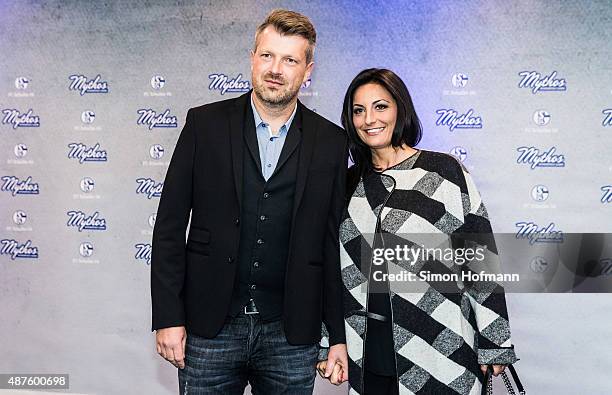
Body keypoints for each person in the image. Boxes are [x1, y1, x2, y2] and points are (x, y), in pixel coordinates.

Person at [151, 9, 348, 394]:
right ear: (252, 59)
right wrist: (168, 317)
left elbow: (330, 245)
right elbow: (170, 226)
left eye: (290, 59)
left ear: (308, 70)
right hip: (209, 328)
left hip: (291, 334)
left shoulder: (331, 142)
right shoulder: (204, 125)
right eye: (267, 55)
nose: (276, 68)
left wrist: (336, 335)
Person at [317, 68, 518, 394]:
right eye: (359, 110)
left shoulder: (445, 172)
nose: (369, 119)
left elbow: (480, 258)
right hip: (367, 352)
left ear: (400, 109)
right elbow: (327, 269)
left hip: (442, 350)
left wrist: (495, 342)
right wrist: (328, 341)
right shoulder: (346, 184)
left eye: (380, 106)